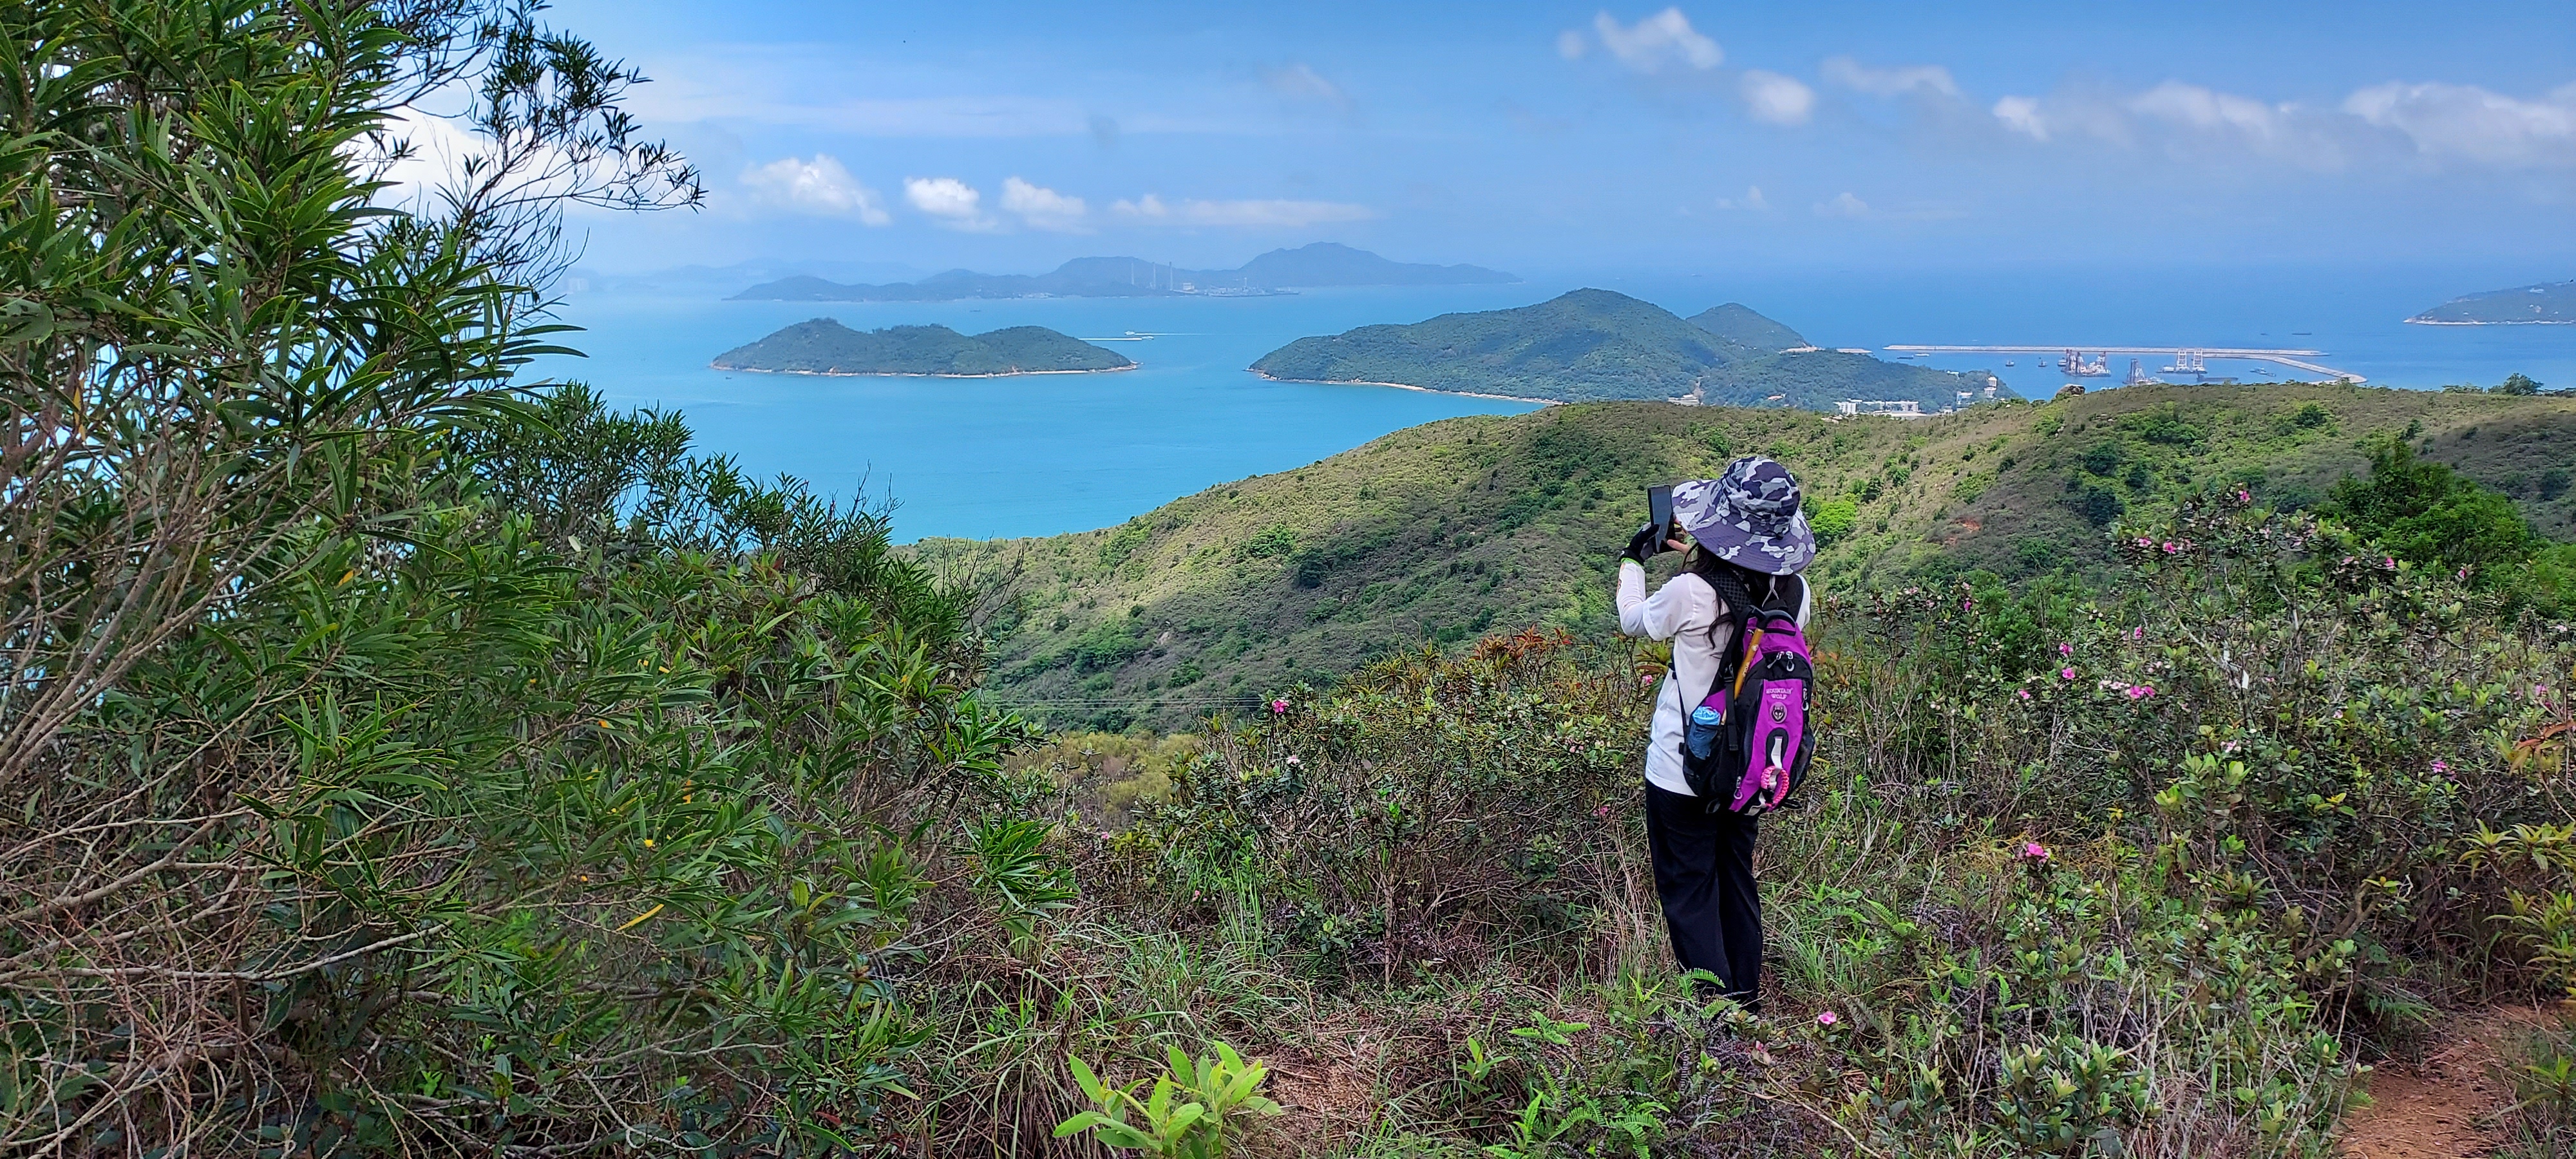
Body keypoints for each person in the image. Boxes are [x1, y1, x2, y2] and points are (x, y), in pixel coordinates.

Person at [1615, 456, 1815, 1012]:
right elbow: (1746, 597)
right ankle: (1745, 1005)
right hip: (1752, 767)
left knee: (1689, 890)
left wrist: (1633, 558)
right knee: (1735, 881)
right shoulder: (1797, 592)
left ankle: (1716, 1022)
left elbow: (1634, 620)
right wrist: (1709, 556)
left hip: (1683, 768)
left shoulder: (1689, 591)